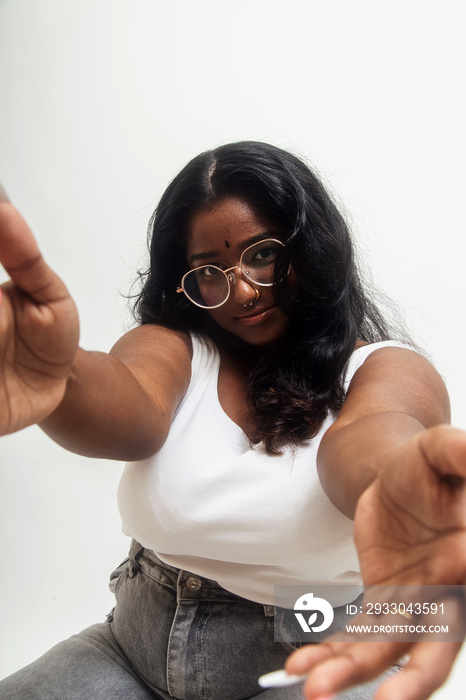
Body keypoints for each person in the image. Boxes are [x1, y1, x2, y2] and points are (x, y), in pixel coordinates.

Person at [1, 141, 466, 700]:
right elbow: (130, 411)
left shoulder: (384, 367)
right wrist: (62, 377)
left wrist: (401, 480)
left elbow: (372, 435)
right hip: (133, 648)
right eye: (209, 272)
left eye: (263, 254)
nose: (242, 291)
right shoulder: (175, 349)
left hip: (315, 655)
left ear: (311, 247)